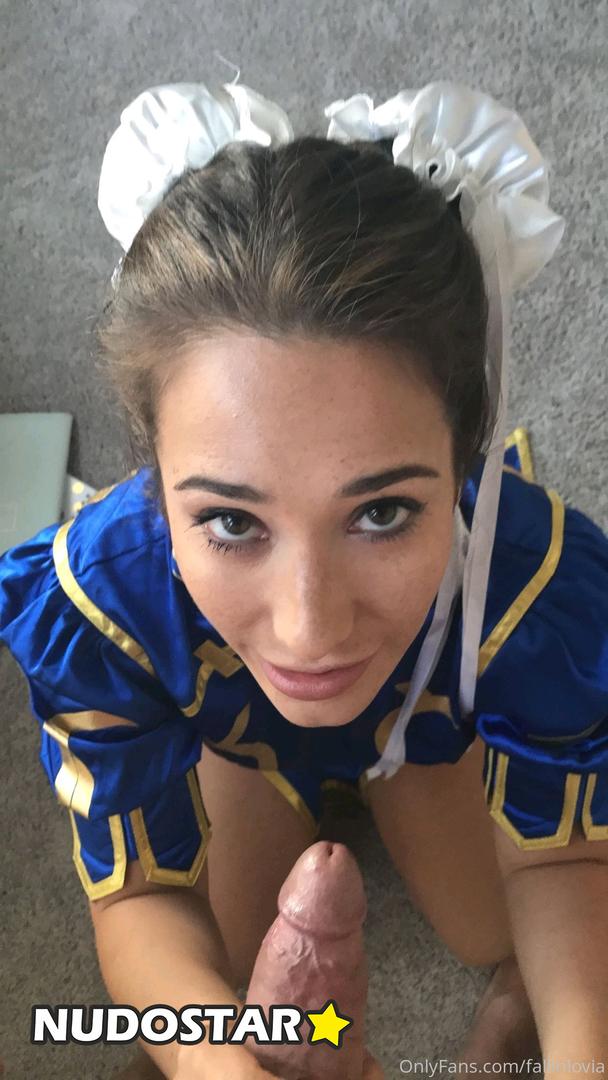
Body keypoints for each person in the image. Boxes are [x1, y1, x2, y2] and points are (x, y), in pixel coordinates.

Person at [2, 76, 608, 1080]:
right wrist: (219, 1065)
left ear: (463, 451)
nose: (310, 630)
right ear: (153, 471)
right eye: (232, 521)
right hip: (240, 746)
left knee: (494, 929)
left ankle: (500, 1013)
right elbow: (139, 894)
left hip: (430, 729)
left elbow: (568, 857)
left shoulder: (531, 586)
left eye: (382, 512)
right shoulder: (103, 600)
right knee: (216, 973)